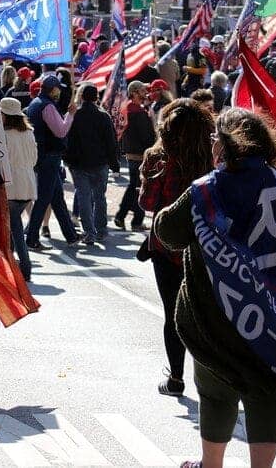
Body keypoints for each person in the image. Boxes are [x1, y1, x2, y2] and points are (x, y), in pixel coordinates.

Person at [155, 109, 276, 468]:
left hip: (215, 314)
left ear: (224, 146)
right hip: (272, 313)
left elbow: (167, 232)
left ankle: (211, 464)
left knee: (216, 393)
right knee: (266, 392)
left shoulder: (205, 189)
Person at [139, 99, 214, 397]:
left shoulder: (157, 157)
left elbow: (147, 204)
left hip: (166, 246)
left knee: (173, 313)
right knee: (205, 313)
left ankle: (177, 378)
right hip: (204, 245)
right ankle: (210, 379)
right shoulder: (212, 157)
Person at [25, 75, 80, 249]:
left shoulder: (36, 103)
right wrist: (70, 115)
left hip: (44, 155)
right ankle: (32, 237)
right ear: (53, 89)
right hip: (49, 156)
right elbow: (61, 131)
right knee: (44, 199)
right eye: (58, 88)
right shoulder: (47, 105)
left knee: (57, 198)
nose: (60, 91)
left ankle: (70, 235)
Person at [64, 83, 119, 245]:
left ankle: (89, 232)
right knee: (99, 197)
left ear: (81, 96)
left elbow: (67, 139)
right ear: (96, 97)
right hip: (99, 163)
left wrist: (68, 159)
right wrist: (114, 164)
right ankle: (101, 229)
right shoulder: (103, 116)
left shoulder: (75, 115)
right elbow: (111, 142)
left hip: (79, 164)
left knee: (84, 198)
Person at [1, 97, 37, 281]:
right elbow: (34, 158)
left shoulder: (4, 136)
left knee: (14, 228)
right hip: (28, 183)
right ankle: (17, 265)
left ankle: (24, 267)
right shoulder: (29, 133)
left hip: (12, 185)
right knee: (13, 227)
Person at [114, 81, 155, 231]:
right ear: (135, 92)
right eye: (142, 91)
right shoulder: (137, 113)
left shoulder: (129, 110)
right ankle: (130, 218)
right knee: (138, 188)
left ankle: (128, 217)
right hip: (139, 154)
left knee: (135, 187)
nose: (145, 93)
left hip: (132, 153)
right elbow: (147, 136)